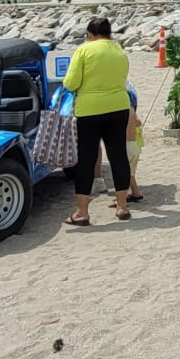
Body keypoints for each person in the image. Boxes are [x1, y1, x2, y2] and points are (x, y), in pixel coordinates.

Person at [62, 17, 133, 225]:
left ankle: (82, 212)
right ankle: (122, 207)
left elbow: (71, 82)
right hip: (119, 106)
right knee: (118, 155)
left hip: (90, 110)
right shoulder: (119, 50)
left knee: (86, 158)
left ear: (90, 34)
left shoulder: (84, 50)